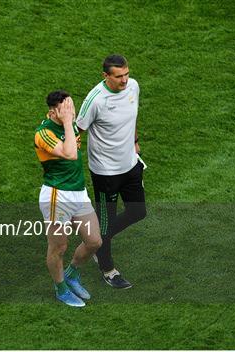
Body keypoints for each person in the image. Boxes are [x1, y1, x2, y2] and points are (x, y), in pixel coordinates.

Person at [76, 54, 146, 289]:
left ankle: (97, 239)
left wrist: (135, 141)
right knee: (105, 222)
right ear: (105, 76)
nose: (125, 80)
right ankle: (108, 268)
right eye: (119, 76)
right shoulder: (95, 100)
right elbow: (78, 130)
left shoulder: (133, 86)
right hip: (106, 173)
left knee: (138, 211)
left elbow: (133, 114)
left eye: (126, 74)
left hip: (130, 164)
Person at [34, 90, 102, 307]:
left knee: (94, 241)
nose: (71, 112)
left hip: (78, 192)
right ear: (54, 111)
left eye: (72, 107)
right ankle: (60, 287)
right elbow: (70, 153)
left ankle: (72, 272)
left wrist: (68, 122)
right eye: (67, 108)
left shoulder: (69, 124)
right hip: (57, 195)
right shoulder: (43, 133)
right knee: (58, 247)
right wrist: (67, 123)